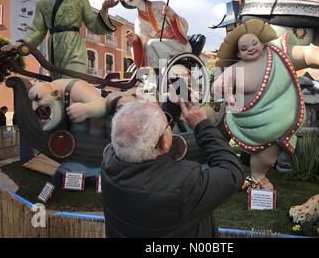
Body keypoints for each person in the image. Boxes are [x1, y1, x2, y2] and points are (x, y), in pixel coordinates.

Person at [213, 20, 319, 190]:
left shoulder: (277, 52)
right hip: (248, 121)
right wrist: (223, 81)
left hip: (277, 122)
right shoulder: (236, 69)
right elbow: (218, 88)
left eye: (254, 43)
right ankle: (245, 173)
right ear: (238, 54)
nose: (251, 48)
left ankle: (258, 176)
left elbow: (305, 53)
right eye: (244, 48)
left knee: (268, 157)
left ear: (262, 43)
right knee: (235, 147)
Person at [101, 101, 244, 237]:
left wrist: (171, 106)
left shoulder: (108, 162)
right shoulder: (183, 186)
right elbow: (231, 171)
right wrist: (203, 126)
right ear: (164, 143)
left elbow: (147, 137)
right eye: (168, 125)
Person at [116, 0, 192, 69]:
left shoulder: (160, 5)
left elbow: (183, 26)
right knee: (146, 47)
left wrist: (171, 16)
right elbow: (143, 45)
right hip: (159, 50)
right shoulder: (138, 22)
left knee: (152, 44)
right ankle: (154, 77)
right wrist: (135, 40)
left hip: (179, 46)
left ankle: (161, 75)